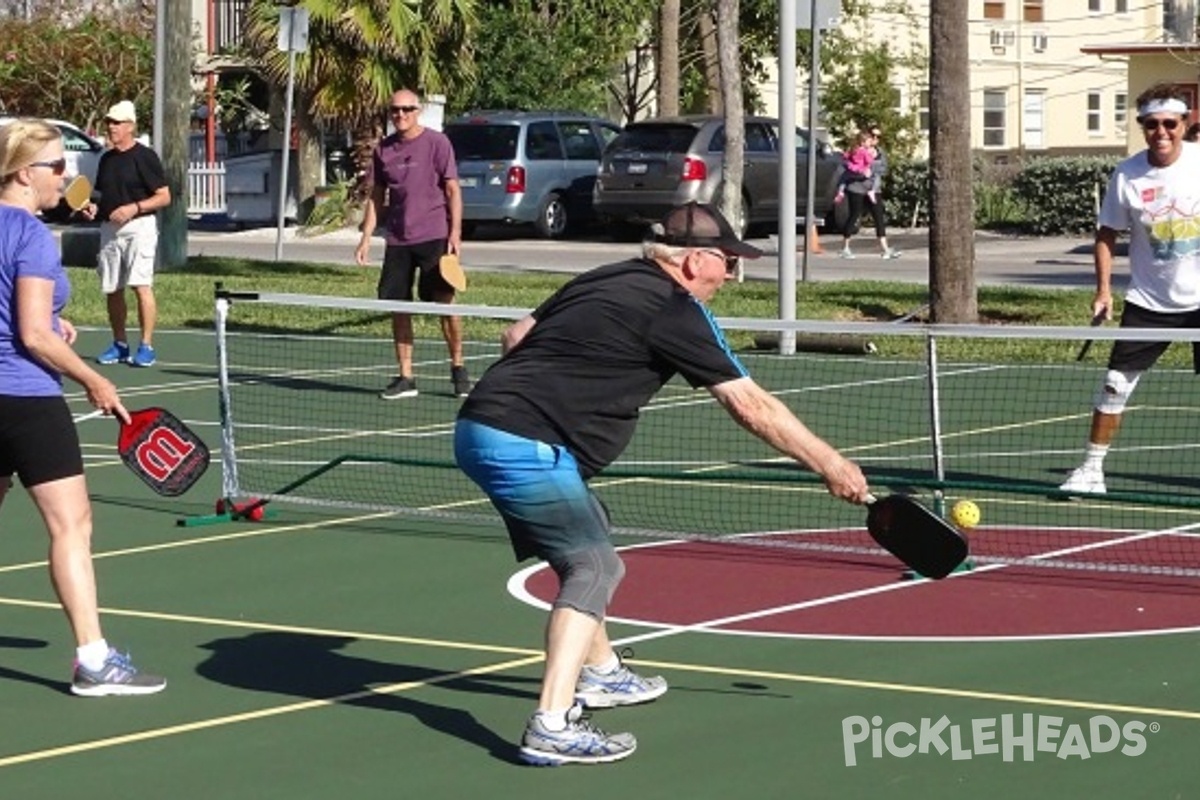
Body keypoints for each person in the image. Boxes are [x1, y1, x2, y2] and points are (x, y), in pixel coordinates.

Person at [454, 202, 870, 766]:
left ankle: (601, 673)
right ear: (695, 260)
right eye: (727, 261)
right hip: (526, 443)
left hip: (479, 427)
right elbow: (751, 406)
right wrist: (830, 463)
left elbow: (514, 336)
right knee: (595, 566)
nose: (732, 273)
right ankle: (551, 723)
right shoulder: (676, 311)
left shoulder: (608, 276)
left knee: (587, 533)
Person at [0, 118, 166, 696]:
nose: (66, 176)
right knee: (72, 525)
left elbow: (29, 319)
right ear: (25, 174)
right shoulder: (29, 237)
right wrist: (96, 381)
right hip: (25, 399)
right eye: (56, 167)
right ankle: (93, 660)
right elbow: (31, 336)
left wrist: (50, 319)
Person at [1059, 82, 1200, 495]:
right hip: (1149, 301)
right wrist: (1103, 291)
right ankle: (1091, 471)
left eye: (1170, 124)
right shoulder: (1128, 174)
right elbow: (1107, 235)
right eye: (1151, 124)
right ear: (1141, 126)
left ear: (1184, 123)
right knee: (1115, 385)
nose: (1161, 132)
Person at [354, 88, 471, 400]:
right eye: (395, 110)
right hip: (397, 240)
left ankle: (458, 368)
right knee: (398, 307)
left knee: (444, 305)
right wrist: (366, 238)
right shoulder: (383, 150)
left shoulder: (437, 143)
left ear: (417, 110)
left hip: (434, 236)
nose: (400, 115)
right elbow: (377, 197)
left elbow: (452, 190)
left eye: (406, 109)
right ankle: (406, 377)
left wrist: (455, 232)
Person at [81, 100, 170, 368]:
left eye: (117, 122)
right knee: (112, 288)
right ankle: (120, 344)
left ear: (130, 126)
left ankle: (146, 346)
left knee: (141, 286)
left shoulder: (145, 157)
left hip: (139, 229)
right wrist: (93, 208)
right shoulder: (106, 159)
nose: (111, 127)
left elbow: (164, 196)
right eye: (109, 122)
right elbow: (100, 195)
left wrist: (135, 207)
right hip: (110, 230)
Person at [838, 128, 900, 260]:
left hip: (873, 188)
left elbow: (883, 168)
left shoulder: (879, 152)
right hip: (857, 188)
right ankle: (845, 247)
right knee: (854, 215)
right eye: (874, 137)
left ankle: (885, 249)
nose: (876, 140)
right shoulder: (856, 150)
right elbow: (847, 165)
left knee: (878, 217)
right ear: (867, 138)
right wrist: (860, 171)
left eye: (878, 137)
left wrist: (873, 168)